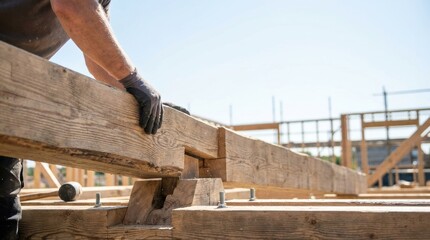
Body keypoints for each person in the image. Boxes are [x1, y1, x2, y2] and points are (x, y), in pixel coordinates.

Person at [0, 1, 165, 238]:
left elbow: (94, 56)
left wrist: (139, 96)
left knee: (4, 209)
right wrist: (133, 78)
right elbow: (71, 7)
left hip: (8, 89)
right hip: (8, 78)